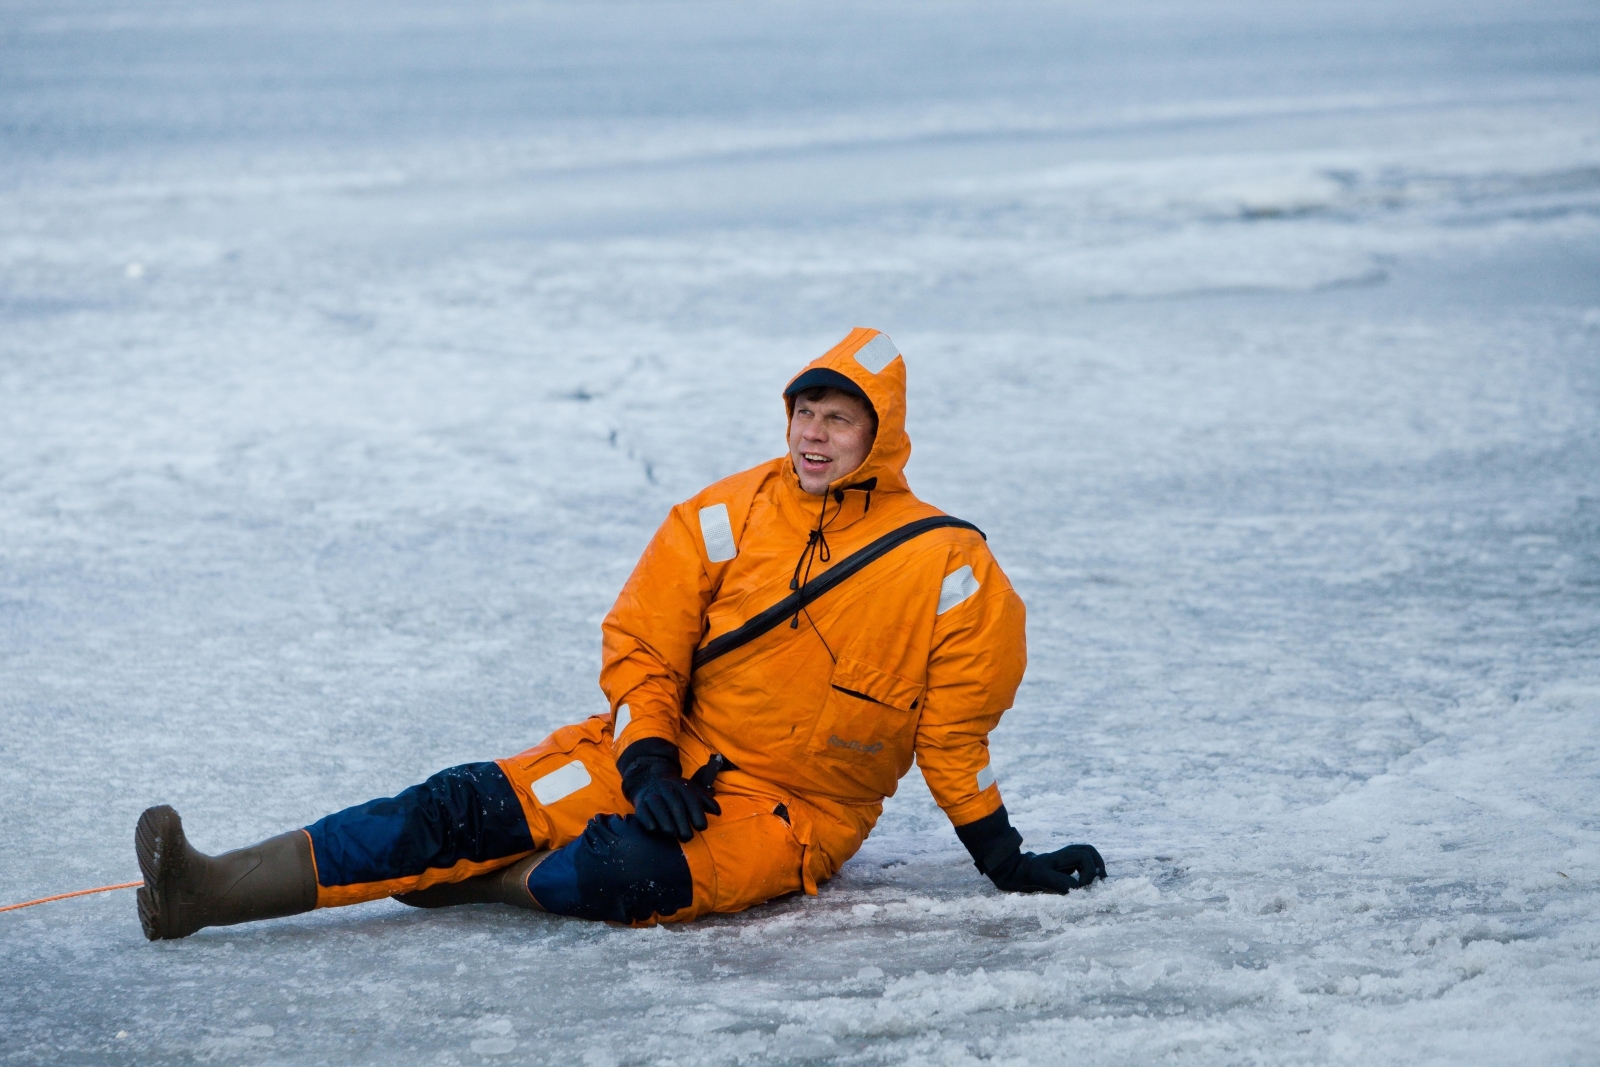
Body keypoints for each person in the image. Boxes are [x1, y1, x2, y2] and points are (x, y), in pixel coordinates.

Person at [135, 327, 1106, 940]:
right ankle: (208, 889)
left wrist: (1001, 854)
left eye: (839, 419)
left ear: (878, 436)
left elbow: (952, 733)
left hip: (790, 811)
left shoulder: (951, 568)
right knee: (456, 805)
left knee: (606, 872)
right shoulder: (723, 513)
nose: (814, 434)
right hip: (661, 752)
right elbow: (646, 642)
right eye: (804, 411)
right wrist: (645, 759)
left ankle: (477, 882)